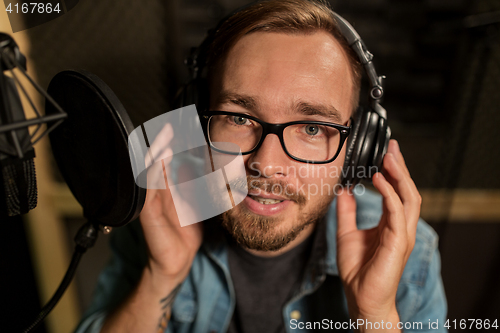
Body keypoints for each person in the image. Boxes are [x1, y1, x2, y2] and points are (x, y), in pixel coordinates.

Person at [75, 0, 447, 332]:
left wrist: (375, 315)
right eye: (239, 118)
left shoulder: (405, 252)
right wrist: (160, 276)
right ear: (198, 121)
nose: (266, 165)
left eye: (313, 128)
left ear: (359, 148)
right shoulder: (158, 216)